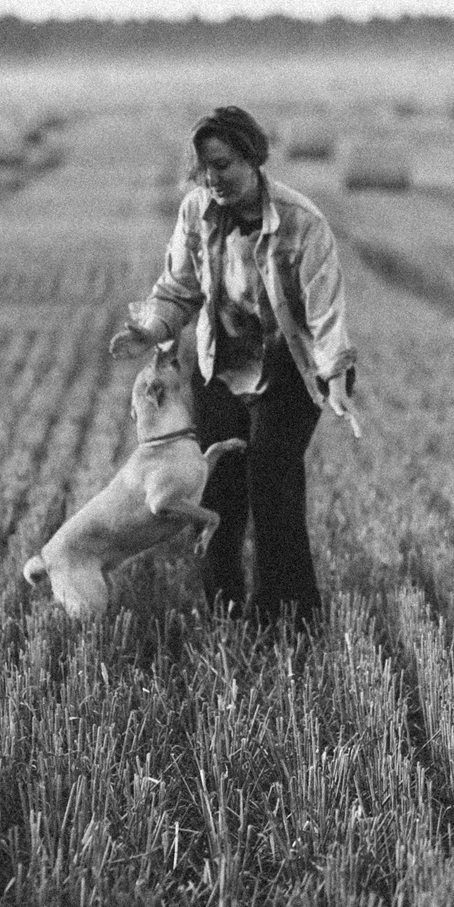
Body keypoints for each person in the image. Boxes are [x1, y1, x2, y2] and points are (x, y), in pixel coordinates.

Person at [109, 106, 359, 631]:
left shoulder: (301, 221)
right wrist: (152, 329)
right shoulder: (196, 212)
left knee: (273, 487)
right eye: (203, 169)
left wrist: (335, 374)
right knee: (218, 489)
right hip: (220, 363)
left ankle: (290, 618)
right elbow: (178, 289)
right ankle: (224, 609)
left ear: (253, 157)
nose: (211, 179)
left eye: (221, 165)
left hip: (291, 367)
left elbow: (325, 310)